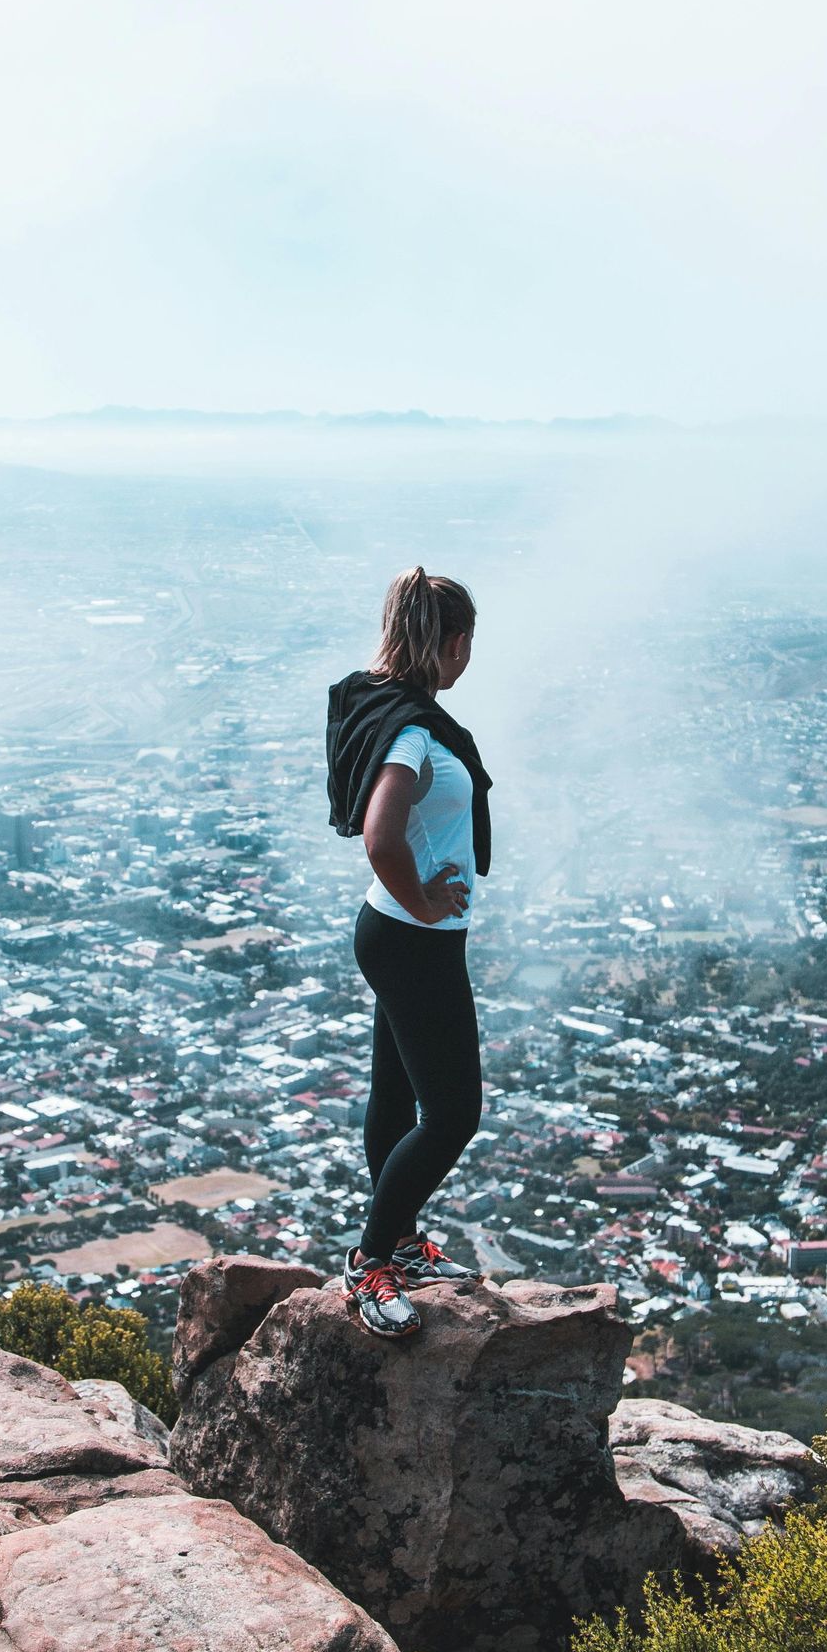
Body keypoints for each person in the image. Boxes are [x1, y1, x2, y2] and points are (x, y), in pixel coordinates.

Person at [325, 567, 493, 1339]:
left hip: (398, 934)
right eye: (467, 642)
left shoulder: (393, 709)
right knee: (454, 1113)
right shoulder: (413, 730)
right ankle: (372, 1262)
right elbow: (381, 833)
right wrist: (425, 898)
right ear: (450, 643)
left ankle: (397, 1242)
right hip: (411, 938)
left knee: (395, 1097)